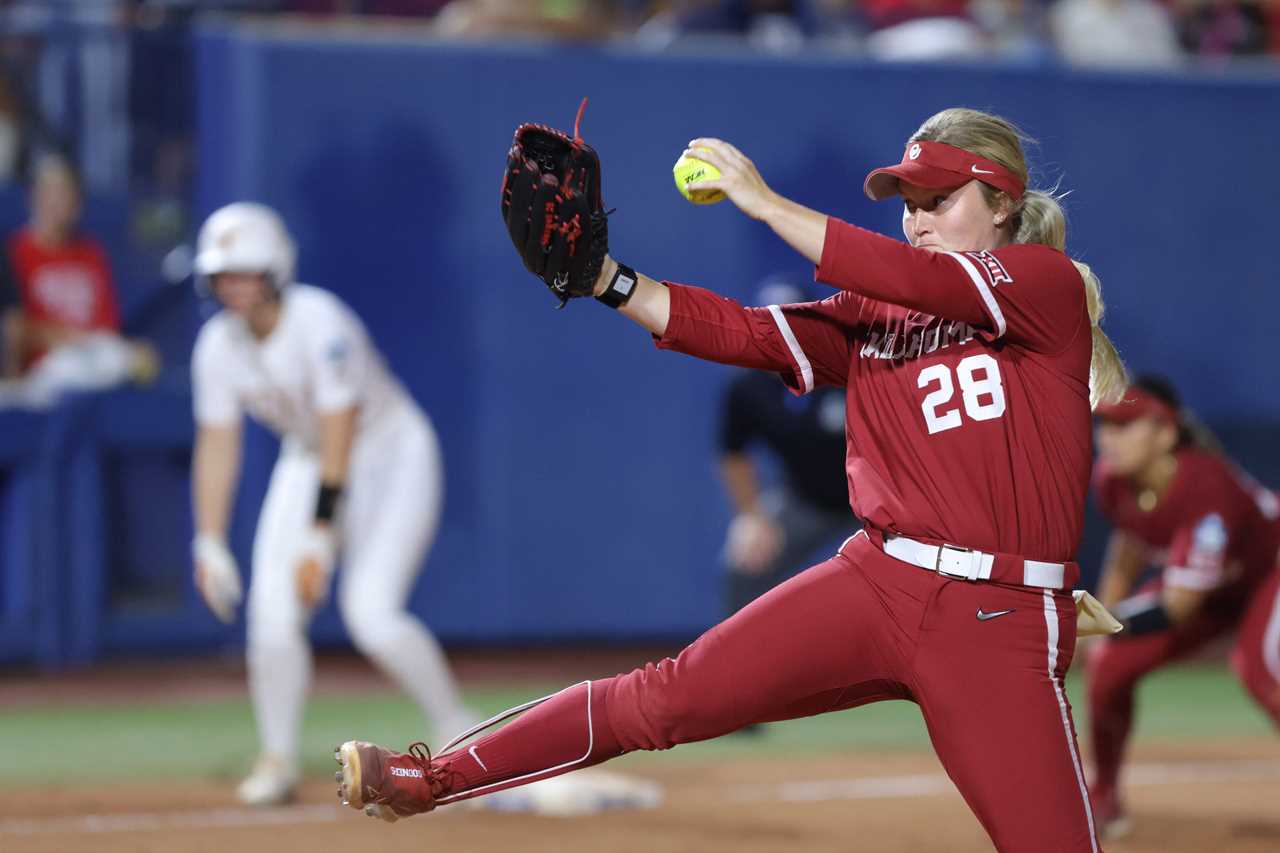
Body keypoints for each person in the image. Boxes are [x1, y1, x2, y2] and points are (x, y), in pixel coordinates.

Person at [335, 106, 1128, 852]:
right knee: (663, 696)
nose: (917, 217)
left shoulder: (1042, 285)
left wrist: (764, 202)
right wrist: (608, 279)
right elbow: (743, 332)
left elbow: (918, 280)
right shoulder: (877, 314)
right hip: (879, 580)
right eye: (908, 201)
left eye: (939, 198)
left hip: (996, 617)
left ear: (1001, 203)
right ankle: (430, 778)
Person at [189, 202, 475, 805]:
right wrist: (209, 539)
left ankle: (456, 725)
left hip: (390, 452)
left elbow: (341, 426)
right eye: (224, 274)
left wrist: (320, 534)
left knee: (371, 614)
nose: (233, 285)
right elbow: (218, 442)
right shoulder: (217, 345)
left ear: (274, 269)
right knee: (270, 612)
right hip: (308, 457)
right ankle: (277, 757)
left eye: (245, 270)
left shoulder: (320, 321)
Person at [1085, 376, 1280, 839]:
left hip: (1267, 576)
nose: (1108, 437)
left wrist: (1095, 624)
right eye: (1105, 425)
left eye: (1125, 425)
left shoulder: (1205, 487)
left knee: (1260, 672)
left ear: (1165, 433)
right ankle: (1104, 797)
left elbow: (1178, 606)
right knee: (1110, 663)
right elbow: (1128, 546)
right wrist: (1100, 623)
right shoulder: (1111, 480)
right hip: (1214, 591)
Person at [718, 278, 852, 617]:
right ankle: (742, 666)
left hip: (871, 504)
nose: (779, 336)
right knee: (743, 565)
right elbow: (733, 453)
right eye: (768, 325)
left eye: (790, 324)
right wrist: (751, 517)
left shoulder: (844, 369)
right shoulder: (748, 389)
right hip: (805, 501)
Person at [0, 154, 156, 400]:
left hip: (93, 360)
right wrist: (69, 339)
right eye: (50, 193)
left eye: (65, 194)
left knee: (139, 360)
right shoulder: (14, 252)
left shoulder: (91, 253)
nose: (58, 203)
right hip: (44, 370)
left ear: (77, 202)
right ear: (34, 198)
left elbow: (107, 327)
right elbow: (16, 328)